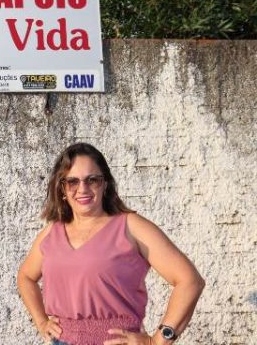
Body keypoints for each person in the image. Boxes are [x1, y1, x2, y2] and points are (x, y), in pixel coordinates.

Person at [17, 143, 204, 344]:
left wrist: (157, 341)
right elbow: (25, 277)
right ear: (62, 188)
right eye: (72, 181)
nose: (83, 189)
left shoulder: (131, 227)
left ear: (105, 184)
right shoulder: (51, 233)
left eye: (92, 180)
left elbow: (190, 281)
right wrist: (41, 321)